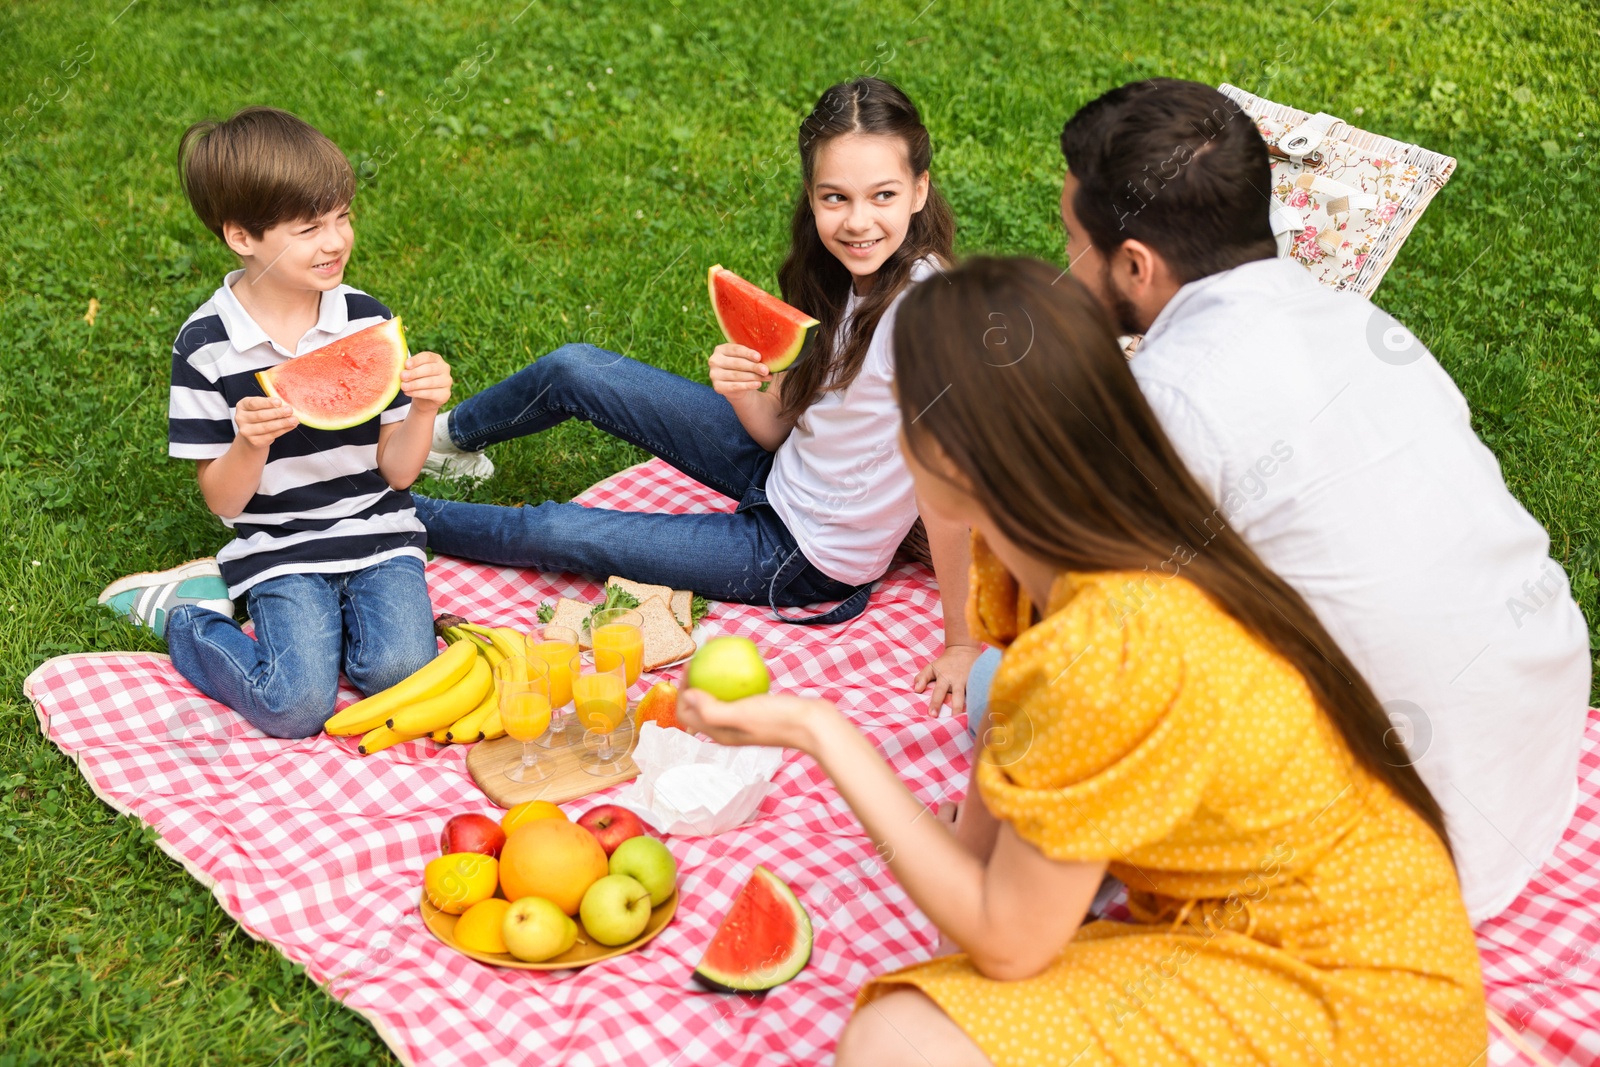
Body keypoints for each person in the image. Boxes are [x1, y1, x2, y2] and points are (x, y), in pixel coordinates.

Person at [680, 257, 1488, 1067]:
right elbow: (978, 867)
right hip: (1254, 934)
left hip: (1365, 1006)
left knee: (897, 1043)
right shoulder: (1038, 580)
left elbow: (1006, 944)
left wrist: (819, 729)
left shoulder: (1101, 647)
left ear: (954, 465)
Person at [962, 79, 1589, 923]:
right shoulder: (1364, 328)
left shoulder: (1167, 399)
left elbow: (1090, 659)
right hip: (1529, 753)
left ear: (1136, 264)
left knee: (999, 687)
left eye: (1074, 241)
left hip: (1388, 849)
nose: (1066, 261)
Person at [416, 77, 981, 709]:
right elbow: (776, 429)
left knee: (556, 530)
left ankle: (385, 516)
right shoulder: (843, 274)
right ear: (811, 196)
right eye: (834, 197)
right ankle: (441, 440)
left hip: (799, 555)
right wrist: (743, 395)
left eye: (883, 195)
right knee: (574, 368)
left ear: (920, 191)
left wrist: (961, 642)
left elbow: (947, 490)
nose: (857, 222)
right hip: (779, 468)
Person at [98, 107, 451, 738]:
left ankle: (343, 631)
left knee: (404, 678)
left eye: (342, 216)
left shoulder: (367, 321)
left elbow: (398, 472)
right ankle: (191, 615)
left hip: (381, 532)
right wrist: (249, 443)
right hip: (277, 547)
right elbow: (223, 498)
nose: (336, 240)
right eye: (309, 227)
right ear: (242, 237)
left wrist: (423, 410)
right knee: (294, 706)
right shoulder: (205, 344)